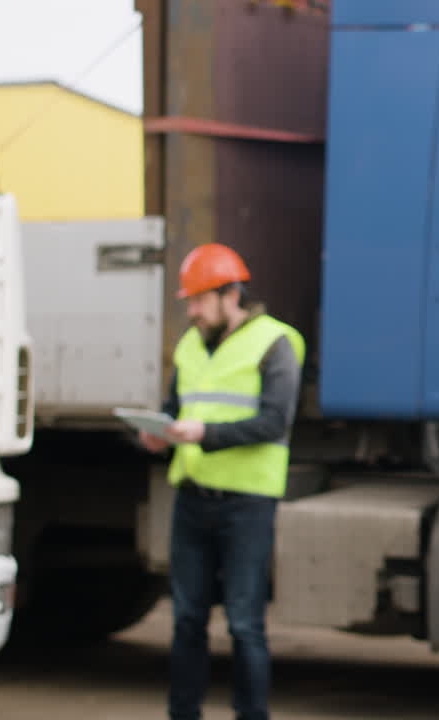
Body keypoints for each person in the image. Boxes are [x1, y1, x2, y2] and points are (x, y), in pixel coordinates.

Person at [137, 243, 304, 720]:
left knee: (244, 623)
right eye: (188, 301)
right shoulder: (191, 344)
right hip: (192, 498)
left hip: (247, 504)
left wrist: (204, 434)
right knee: (187, 619)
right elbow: (176, 409)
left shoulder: (276, 343)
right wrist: (157, 434)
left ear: (231, 294)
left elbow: (274, 423)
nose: (191, 311)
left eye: (198, 299)